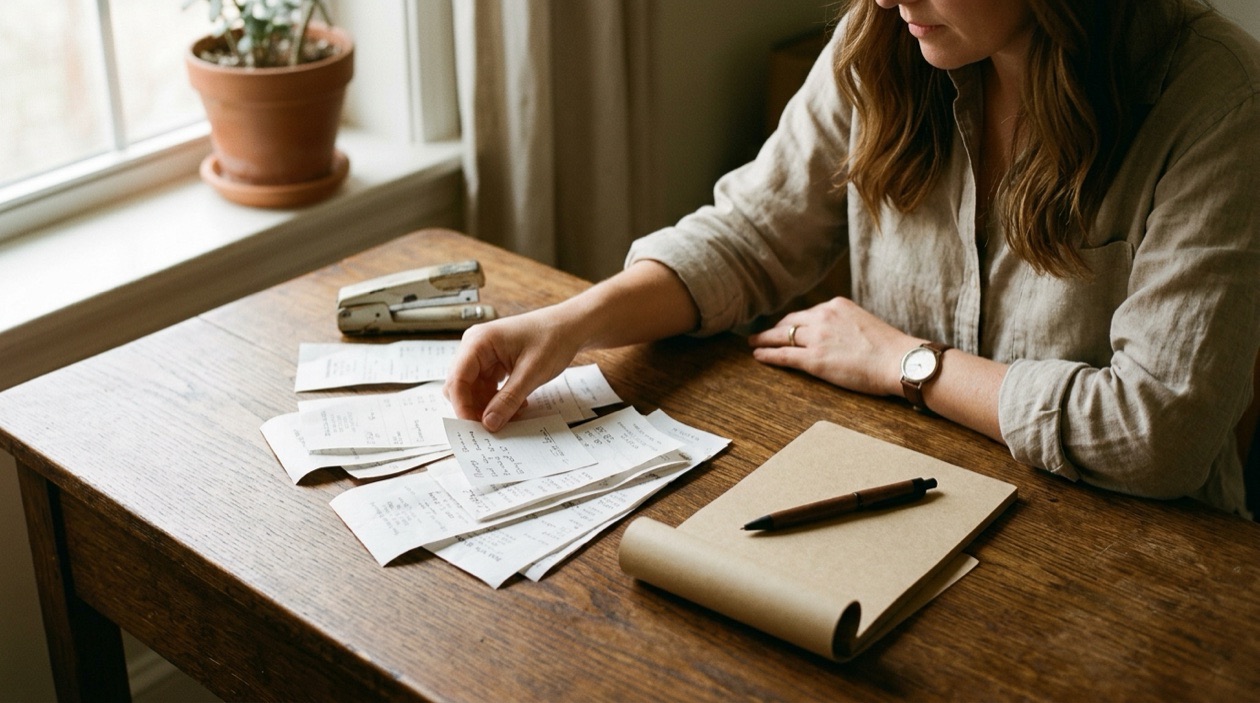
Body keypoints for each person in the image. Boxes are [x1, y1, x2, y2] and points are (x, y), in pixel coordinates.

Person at [444, 0, 1260, 517]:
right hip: (900, 506)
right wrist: (570, 322)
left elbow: (1160, 431)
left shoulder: (1214, 99)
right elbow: (750, 236)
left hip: (1144, 555)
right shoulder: (885, 40)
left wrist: (908, 364)